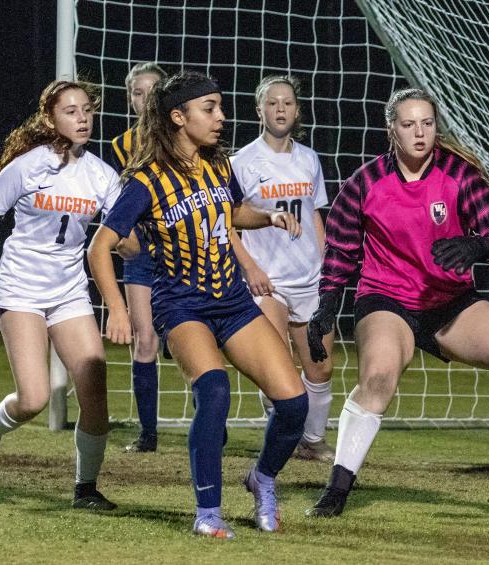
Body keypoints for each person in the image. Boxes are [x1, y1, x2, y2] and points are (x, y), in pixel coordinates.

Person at [87, 71, 307, 539]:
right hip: (182, 306)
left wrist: (266, 216)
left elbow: (231, 211)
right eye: (210, 109)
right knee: (215, 392)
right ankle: (208, 511)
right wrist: (118, 309)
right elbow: (99, 247)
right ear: (178, 116)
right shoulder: (145, 181)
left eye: (221, 107)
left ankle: (262, 478)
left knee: (294, 403)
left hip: (232, 302)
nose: (221, 117)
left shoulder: (218, 164)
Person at [305, 88, 489, 518]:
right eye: (409, 124)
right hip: (386, 298)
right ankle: (337, 489)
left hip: (448, 301)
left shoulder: (461, 176)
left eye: (427, 124)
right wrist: (326, 306)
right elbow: (340, 251)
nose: (420, 132)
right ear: (391, 128)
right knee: (378, 377)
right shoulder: (365, 183)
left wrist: (476, 248)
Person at [0, 79, 121, 510]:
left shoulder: (102, 175)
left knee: (94, 385)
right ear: (51, 118)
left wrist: (145, 234)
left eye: (87, 110)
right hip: (21, 288)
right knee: (34, 399)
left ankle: (86, 488)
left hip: (69, 292)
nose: (82, 118)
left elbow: (123, 235)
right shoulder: (28, 166)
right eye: (71, 111)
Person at [230, 75, 335, 462]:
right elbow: (226, 223)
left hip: (309, 278)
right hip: (266, 281)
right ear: (259, 109)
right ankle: (284, 437)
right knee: (277, 368)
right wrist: (250, 269)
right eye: (272, 103)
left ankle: (312, 439)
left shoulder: (309, 159)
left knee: (320, 369)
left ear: (296, 110)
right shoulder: (239, 163)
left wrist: (328, 267)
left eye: (287, 103)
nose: (280, 109)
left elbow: (314, 216)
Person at [110, 61, 168, 453]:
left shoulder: (184, 136)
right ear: (129, 97)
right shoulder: (121, 145)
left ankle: (214, 426)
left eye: (152, 91)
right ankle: (148, 434)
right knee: (144, 340)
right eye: (137, 92)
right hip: (143, 255)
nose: (144, 99)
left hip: (184, 251)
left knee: (191, 338)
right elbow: (116, 199)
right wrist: (124, 238)